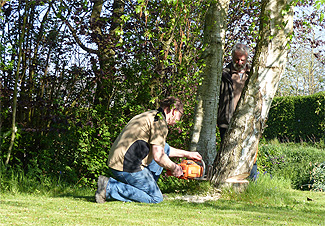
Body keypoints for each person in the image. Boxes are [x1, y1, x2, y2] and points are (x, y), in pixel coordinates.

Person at [95, 96, 202, 204]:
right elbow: (158, 156)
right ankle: (108, 187)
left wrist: (187, 154)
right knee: (156, 199)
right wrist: (175, 168)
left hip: (120, 161)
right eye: (180, 115)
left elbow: (164, 149)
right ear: (173, 111)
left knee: (163, 147)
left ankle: (148, 190)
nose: (178, 120)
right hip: (126, 166)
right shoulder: (160, 123)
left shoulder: (150, 115)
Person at [217, 43, 258, 180]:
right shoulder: (224, 74)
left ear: (247, 59)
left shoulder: (253, 75)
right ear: (232, 57)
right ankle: (227, 182)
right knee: (229, 155)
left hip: (248, 122)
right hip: (226, 122)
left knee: (250, 153)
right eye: (237, 59)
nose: (239, 62)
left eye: (243, 60)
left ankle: (251, 183)